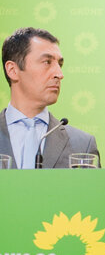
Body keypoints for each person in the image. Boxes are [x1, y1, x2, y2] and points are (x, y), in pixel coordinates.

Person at [0, 27, 99, 169]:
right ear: (12, 70)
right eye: (47, 62)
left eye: (60, 64)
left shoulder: (82, 145)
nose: (59, 74)